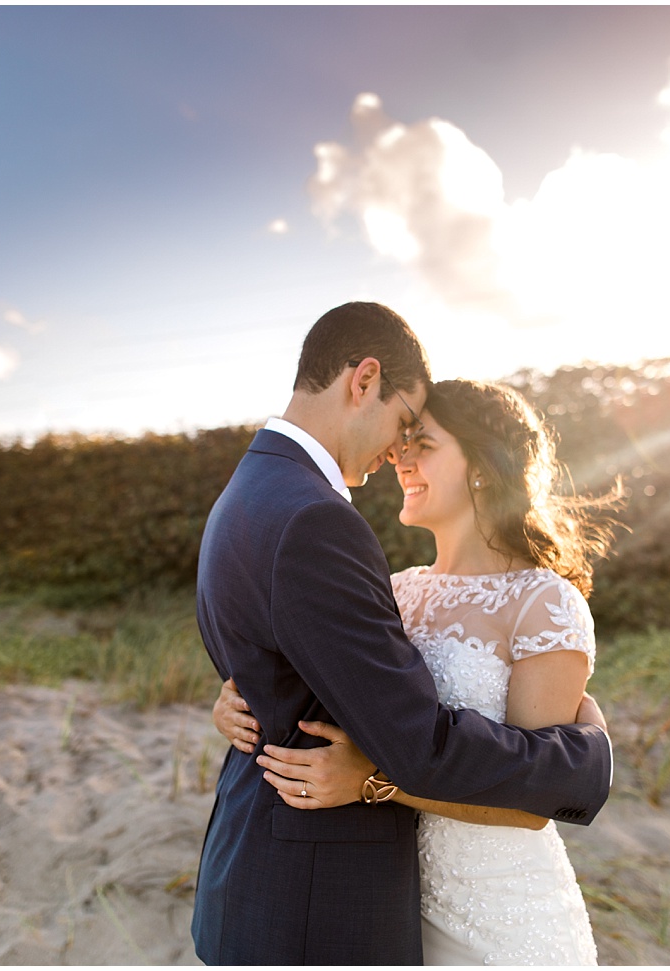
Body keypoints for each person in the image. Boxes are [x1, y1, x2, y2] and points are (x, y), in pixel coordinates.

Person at [191, 302, 613, 966]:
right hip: (330, 896)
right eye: (402, 428)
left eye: (420, 440)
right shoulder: (339, 538)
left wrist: (362, 774)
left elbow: (331, 686)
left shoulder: (250, 492)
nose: (397, 454)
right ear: (363, 381)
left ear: (481, 465)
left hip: (475, 906)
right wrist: (583, 756)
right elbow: (407, 734)